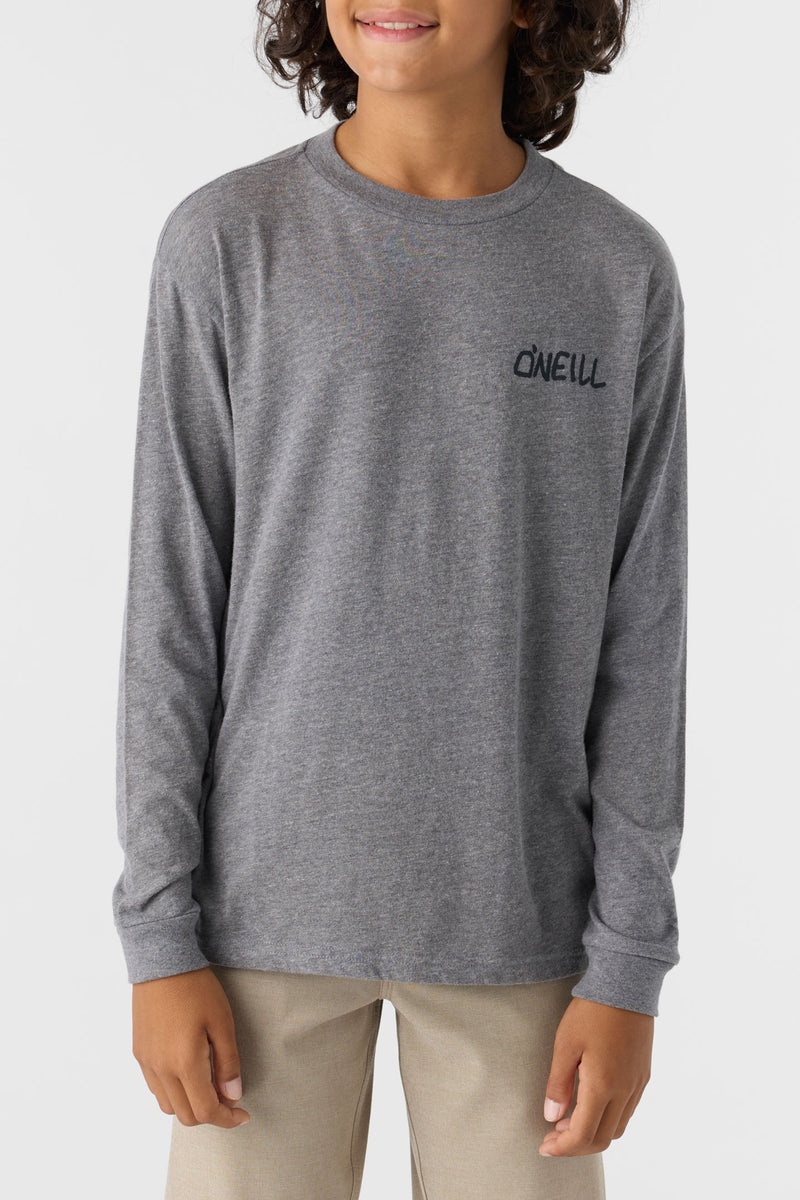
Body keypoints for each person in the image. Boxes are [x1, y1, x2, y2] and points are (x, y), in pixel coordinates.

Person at [112, 2, 688, 1197]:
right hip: (255, 930)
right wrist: (158, 936)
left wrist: (629, 960)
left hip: (519, 929)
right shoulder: (228, 242)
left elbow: (643, 637)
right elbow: (171, 610)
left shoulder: (612, 268)